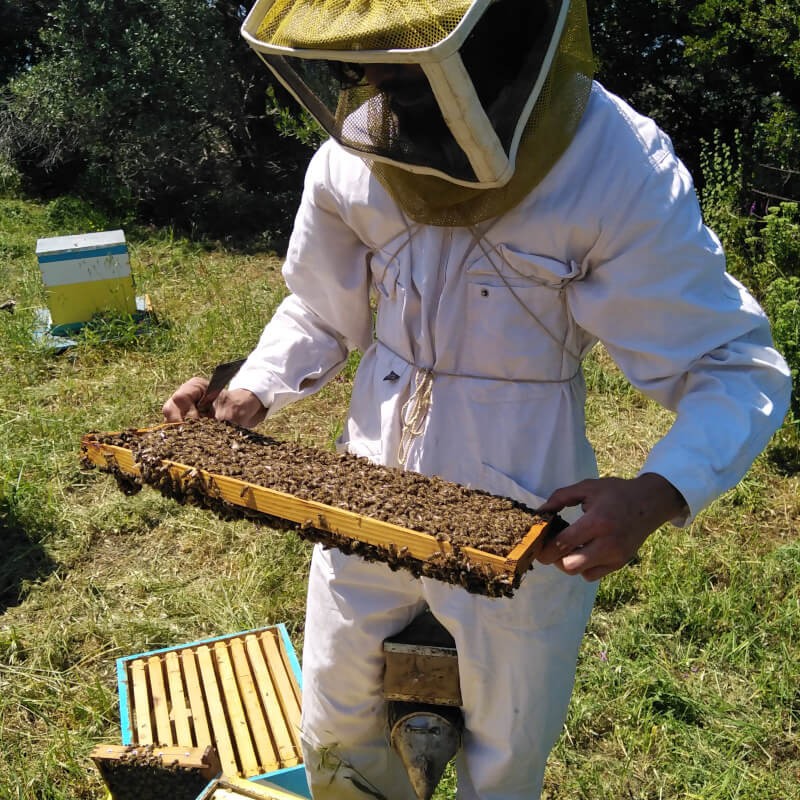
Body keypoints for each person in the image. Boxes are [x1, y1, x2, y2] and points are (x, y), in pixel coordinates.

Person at [163, 1, 792, 798]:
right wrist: (252, 385)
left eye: (403, 74)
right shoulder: (358, 148)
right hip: (365, 488)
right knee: (338, 732)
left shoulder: (613, 162)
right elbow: (322, 307)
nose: (380, 96)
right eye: (368, 71)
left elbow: (733, 363)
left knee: (503, 760)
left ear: (493, 47)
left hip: (522, 497)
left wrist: (658, 492)